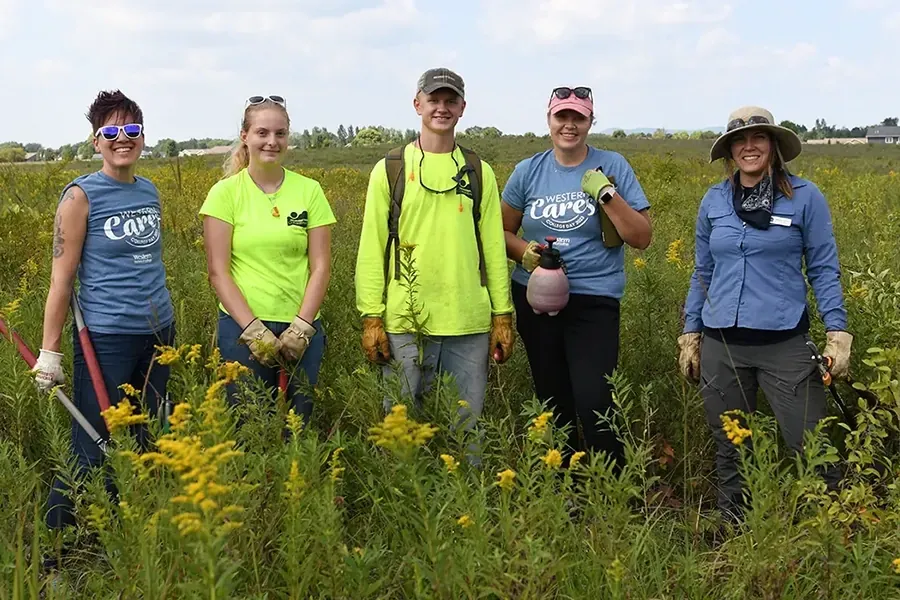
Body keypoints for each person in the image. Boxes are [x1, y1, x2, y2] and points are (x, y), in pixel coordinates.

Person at [677, 106, 852, 520]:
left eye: (758, 138)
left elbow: (824, 268)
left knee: (809, 445)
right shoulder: (715, 200)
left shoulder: (806, 197)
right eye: (740, 140)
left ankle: (832, 529)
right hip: (723, 346)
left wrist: (838, 333)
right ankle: (733, 526)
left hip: (785, 345)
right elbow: (703, 270)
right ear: (730, 151)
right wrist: (691, 333)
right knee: (730, 445)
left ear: (773, 147)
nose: (749, 146)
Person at [34, 90, 176, 544]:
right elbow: (61, 282)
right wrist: (49, 352)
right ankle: (55, 549)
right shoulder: (80, 197)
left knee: (145, 437)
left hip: (159, 331)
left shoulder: (149, 190)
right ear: (96, 141)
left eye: (131, 130)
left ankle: (119, 533)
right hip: (108, 337)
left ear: (142, 137)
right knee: (92, 444)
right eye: (111, 132)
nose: (122, 139)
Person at [354, 67, 515, 448]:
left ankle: (468, 499)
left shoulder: (479, 172)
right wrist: (372, 317)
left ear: (462, 108)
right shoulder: (389, 170)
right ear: (417, 104)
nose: (441, 108)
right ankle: (399, 505)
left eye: (450, 101)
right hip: (404, 322)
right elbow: (371, 248)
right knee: (401, 433)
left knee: (466, 432)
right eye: (433, 100)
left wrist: (502, 315)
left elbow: (493, 246)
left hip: (468, 325)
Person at [501, 86, 652, 470]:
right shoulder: (528, 171)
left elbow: (641, 237)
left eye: (578, 118)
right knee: (552, 398)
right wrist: (526, 254)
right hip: (536, 299)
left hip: (593, 300)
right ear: (549, 120)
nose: (569, 125)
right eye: (561, 117)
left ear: (590, 122)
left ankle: (610, 488)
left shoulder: (612, 165)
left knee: (596, 399)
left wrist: (606, 194)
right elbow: (501, 233)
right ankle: (563, 487)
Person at [200, 95, 335, 423]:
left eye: (280, 133)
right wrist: (253, 331)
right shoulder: (225, 194)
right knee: (250, 428)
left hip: (301, 328)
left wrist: (302, 329)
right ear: (245, 136)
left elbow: (321, 266)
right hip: (242, 331)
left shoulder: (309, 191)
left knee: (299, 429)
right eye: (262, 133)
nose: (272, 142)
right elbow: (218, 272)